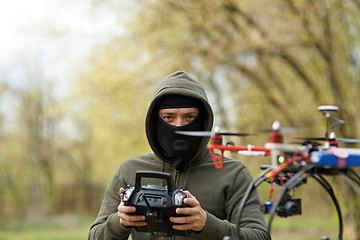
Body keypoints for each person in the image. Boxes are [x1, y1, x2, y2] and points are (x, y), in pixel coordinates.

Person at [88, 71, 271, 240]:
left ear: (203, 121)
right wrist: (120, 222)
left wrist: (207, 224)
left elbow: (259, 236)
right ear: (154, 122)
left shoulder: (233, 173)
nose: (178, 126)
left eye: (189, 117)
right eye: (168, 117)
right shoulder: (129, 170)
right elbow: (94, 236)